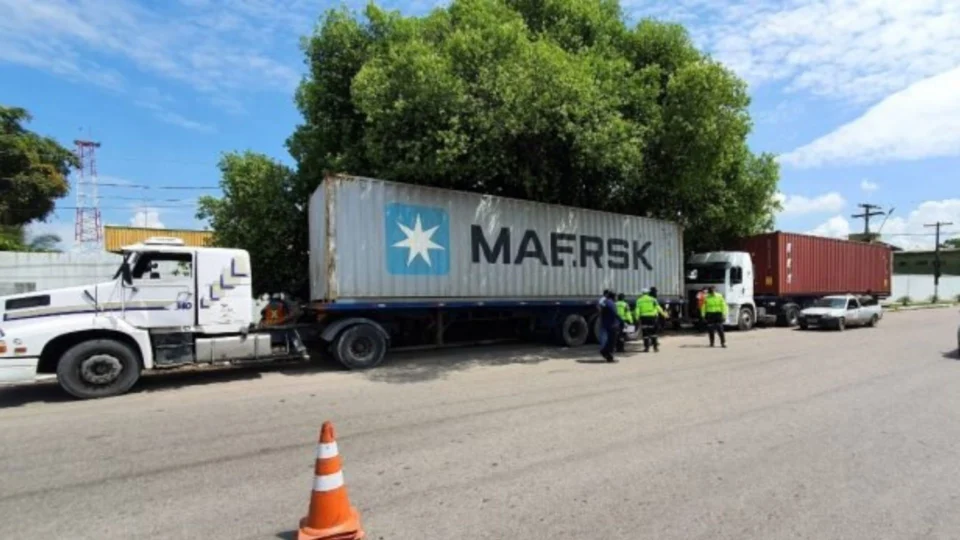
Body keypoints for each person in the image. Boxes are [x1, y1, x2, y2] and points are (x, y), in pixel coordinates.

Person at [635, 288, 668, 352]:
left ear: (642, 293)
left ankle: (646, 348)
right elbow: (658, 308)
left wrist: (636, 318)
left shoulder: (639, 300)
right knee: (653, 332)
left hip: (643, 318)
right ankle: (655, 348)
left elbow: (637, 310)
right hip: (652, 318)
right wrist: (664, 314)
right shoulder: (653, 300)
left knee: (645, 333)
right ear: (648, 292)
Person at [598, 290, 620, 362]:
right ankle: (607, 354)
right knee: (611, 341)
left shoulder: (605, 302)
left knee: (609, 340)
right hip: (612, 324)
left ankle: (609, 356)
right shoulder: (610, 303)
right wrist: (621, 321)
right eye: (616, 296)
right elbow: (614, 313)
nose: (616, 298)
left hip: (606, 323)